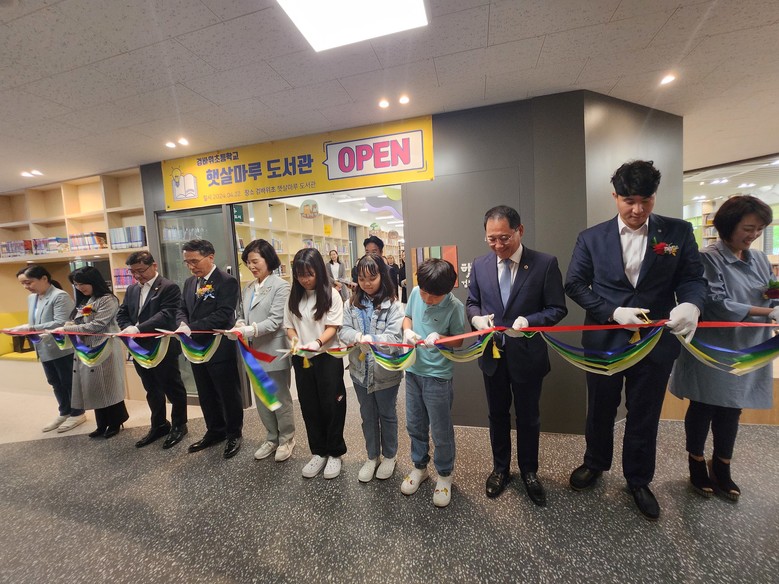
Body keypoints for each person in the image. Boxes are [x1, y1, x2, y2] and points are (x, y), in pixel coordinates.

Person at [565, 160, 706, 521]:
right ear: (615, 196)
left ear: (655, 196)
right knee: (600, 408)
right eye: (629, 201)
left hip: (655, 342)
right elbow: (575, 284)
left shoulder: (677, 232)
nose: (637, 210)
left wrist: (691, 304)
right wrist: (612, 312)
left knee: (644, 413)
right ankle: (595, 462)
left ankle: (638, 479)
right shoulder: (591, 237)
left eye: (646, 200)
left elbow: (693, 278)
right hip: (605, 340)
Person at [669, 196, 777, 501]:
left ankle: (722, 466)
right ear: (729, 226)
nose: (754, 235)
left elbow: (770, 289)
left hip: (748, 347)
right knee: (704, 405)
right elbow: (717, 303)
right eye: (748, 228)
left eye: (759, 229)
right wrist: (767, 311)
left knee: (732, 407)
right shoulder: (708, 258)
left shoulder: (758, 258)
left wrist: (776, 301)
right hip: (714, 347)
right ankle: (696, 463)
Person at [466, 205, 567, 506]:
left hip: (527, 355)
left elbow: (557, 308)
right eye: (491, 239)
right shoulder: (480, 265)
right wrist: (476, 318)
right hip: (492, 355)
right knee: (497, 415)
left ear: (519, 231)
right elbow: (472, 302)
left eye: (504, 238)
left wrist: (530, 321)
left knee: (528, 417)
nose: (498, 245)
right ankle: (500, 468)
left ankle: (529, 471)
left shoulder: (544, 264)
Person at [401, 258, 468, 508]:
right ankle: (420, 467)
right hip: (413, 371)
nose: (428, 299)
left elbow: (458, 341)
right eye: (425, 292)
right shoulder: (416, 293)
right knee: (415, 424)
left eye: (435, 296)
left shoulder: (455, 306)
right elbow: (407, 317)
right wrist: (407, 330)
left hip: (438, 376)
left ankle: (444, 474)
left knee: (440, 430)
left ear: (448, 290)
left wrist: (439, 337)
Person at [226, 239, 295, 463]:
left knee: (279, 398)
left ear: (268, 259)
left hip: (273, 351)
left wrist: (249, 330)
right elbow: (242, 314)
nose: (251, 266)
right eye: (248, 262)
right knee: (263, 398)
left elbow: (275, 320)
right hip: (252, 352)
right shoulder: (248, 288)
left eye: (255, 261)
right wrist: (239, 325)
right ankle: (271, 437)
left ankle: (287, 438)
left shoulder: (281, 286)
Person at [175, 239, 243, 459]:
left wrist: (191, 328)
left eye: (194, 261)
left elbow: (223, 314)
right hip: (195, 348)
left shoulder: (227, 281)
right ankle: (215, 430)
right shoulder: (189, 283)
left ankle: (233, 433)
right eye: (187, 262)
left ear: (210, 257)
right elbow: (181, 308)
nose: (191, 266)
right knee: (205, 392)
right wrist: (182, 324)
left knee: (227, 392)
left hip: (219, 347)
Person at [339, 254, 404, 482]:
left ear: (382, 276)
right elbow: (343, 330)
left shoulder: (393, 305)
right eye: (362, 278)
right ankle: (372, 456)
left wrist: (372, 339)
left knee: (387, 414)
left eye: (372, 278)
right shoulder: (350, 304)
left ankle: (390, 456)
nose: (367, 283)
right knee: (367, 415)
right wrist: (357, 336)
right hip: (360, 371)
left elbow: (395, 337)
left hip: (386, 372)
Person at [284, 248, 347, 479]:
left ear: (319, 271)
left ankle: (335, 452)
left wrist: (317, 342)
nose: (305, 279)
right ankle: (318, 451)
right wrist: (296, 342)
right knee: (309, 405)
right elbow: (289, 325)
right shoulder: (293, 296)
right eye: (300, 275)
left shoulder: (332, 294)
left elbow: (333, 327)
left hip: (327, 356)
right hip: (302, 358)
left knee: (332, 404)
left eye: (309, 274)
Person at [117, 251, 189, 449]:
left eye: (141, 271)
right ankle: (159, 425)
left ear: (154, 266)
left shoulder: (168, 287)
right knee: (151, 389)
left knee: (172, 387)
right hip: (139, 349)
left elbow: (166, 314)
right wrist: (127, 328)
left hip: (162, 346)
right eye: (133, 272)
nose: (137, 276)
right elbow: (122, 313)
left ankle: (179, 425)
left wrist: (138, 328)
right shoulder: (132, 289)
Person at [57, 266, 128, 438]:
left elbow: (97, 325)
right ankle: (101, 424)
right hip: (85, 349)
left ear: (93, 281)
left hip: (104, 349)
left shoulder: (108, 300)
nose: (80, 287)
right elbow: (79, 321)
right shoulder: (85, 300)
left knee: (108, 387)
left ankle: (116, 422)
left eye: (82, 283)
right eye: (76, 284)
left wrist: (69, 329)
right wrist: (70, 325)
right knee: (94, 387)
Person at [13, 265, 85, 433]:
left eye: (28, 282)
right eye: (23, 284)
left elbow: (60, 322)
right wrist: (27, 328)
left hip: (61, 347)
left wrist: (29, 328)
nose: (26, 287)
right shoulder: (32, 298)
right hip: (42, 347)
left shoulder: (59, 296)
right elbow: (36, 322)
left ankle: (77, 413)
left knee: (68, 381)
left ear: (44, 278)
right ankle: (64, 411)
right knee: (54, 382)